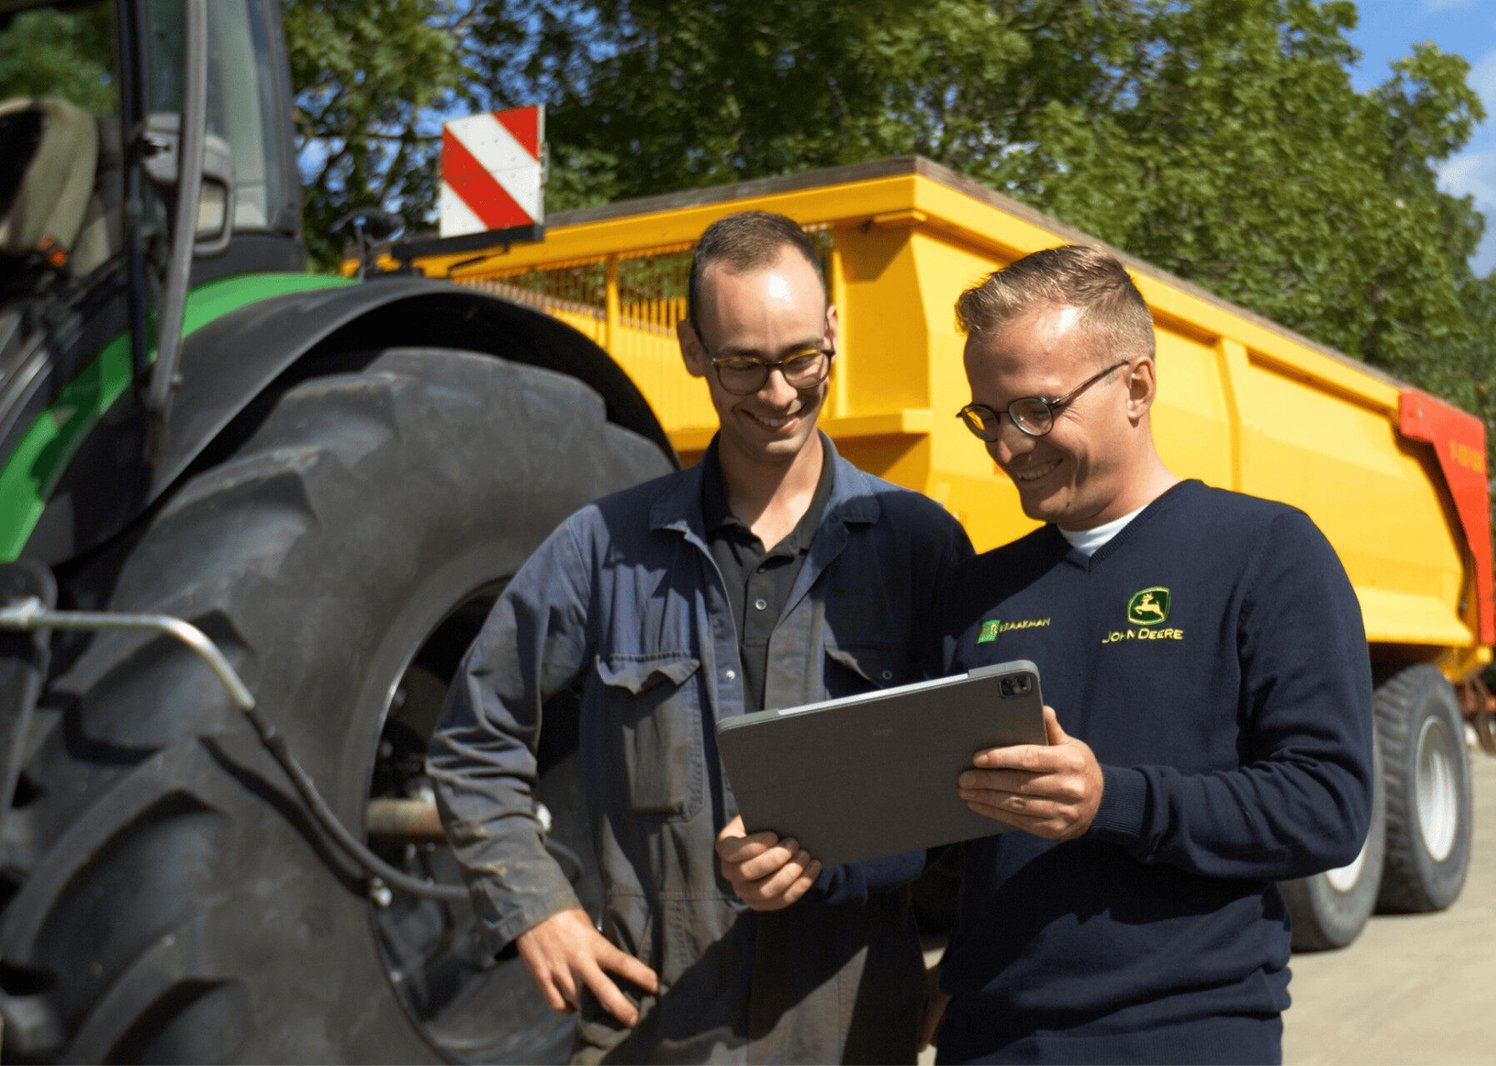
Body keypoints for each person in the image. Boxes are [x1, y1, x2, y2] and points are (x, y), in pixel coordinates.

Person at [426, 210, 972, 1063]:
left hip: (853, 1030)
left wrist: (963, 969)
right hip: (654, 1031)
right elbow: (472, 741)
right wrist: (536, 907)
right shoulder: (601, 548)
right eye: (743, 365)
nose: (780, 392)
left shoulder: (918, 545)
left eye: (802, 357)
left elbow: (977, 791)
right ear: (691, 349)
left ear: (833, 331)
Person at [932, 244, 1373, 1063]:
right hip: (988, 1040)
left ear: (1136, 386)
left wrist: (1114, 802)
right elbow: (944, 835)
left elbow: (1328, 807)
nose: (1005, 446)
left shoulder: (1267, 551)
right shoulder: (979, 592)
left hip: (1185, 1034)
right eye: (987, 416)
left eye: (1035, 409)